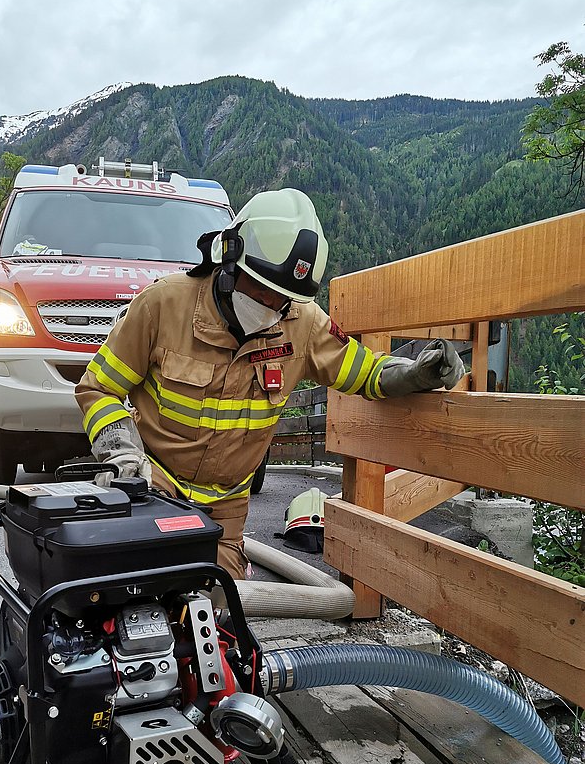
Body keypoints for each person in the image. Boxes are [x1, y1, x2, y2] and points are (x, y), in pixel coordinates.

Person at [75, 188, 464, 580]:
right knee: (137, 592)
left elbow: (366, 372)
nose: (269, 305)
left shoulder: (303, 324)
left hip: (225, 509)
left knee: (214, 607)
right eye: (261, 289)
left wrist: (417, 374)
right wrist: (124, 459)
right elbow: (98, 388)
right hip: (154, 489)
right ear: (230, 260)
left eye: (282, 298)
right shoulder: (162, 306)